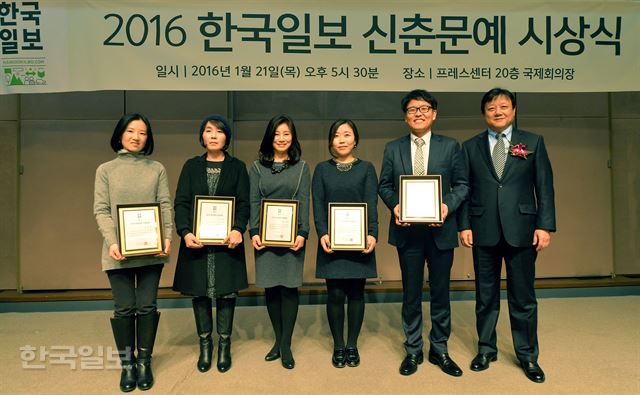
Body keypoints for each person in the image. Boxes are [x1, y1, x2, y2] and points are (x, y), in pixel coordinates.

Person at [458, 88, 555, 383]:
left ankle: (527, 355)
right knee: (485, 296)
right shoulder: (470, 146)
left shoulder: (533, 142)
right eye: (491, 108)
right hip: (483, 229)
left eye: (503, 106)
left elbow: (545, 186)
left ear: (513, 110)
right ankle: (486, 349)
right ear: (484, 113)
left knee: (523, 296)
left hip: (523, 230)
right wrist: (464, 225)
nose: (497, 111)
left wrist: (544, 225)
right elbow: (465, 189)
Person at [378, 90, 468, 377]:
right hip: (407, 233)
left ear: (434, 114)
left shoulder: (451, 146)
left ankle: (439, 348)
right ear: (405, 116)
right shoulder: (393, 148)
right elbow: (385, 186)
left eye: (424, 108)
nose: (418, 113)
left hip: (440, 230)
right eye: (412, 109)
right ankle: (413, 349)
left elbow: (463, 185)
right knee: (411, 293)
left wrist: (445, 207)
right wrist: (395, 207)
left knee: (440, 293)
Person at [94, 113, 173, 392]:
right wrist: (113, 241)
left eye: (142, 132)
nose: (136, 137)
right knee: (124, 307)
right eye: (131, 131)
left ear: (148, 138)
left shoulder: (156, 169)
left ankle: (144, 362)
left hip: (152, 251)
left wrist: (167, 237)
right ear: (120, 134)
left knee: (147, 305)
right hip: (117, 252)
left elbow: (165, 205)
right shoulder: (105, 169)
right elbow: (101, 210)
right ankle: (128, 365)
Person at [172, 115, 250, 374]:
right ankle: (206, 344)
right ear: (202, 136)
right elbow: (181, 202)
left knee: (226, 292)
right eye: (208, 130)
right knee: (200, 292)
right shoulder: (191, 166)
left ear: (227, 137)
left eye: (219, 131)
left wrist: (239, 228)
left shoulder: (237, 167)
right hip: (197, 242)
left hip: (228, 243)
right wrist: (184, 232)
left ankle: (224, 345)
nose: (213, 135)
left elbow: (244, 203)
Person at [312, 120, 378, 368]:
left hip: (360, 241)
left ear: (355, 139)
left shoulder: (367, 168)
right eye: (337, 135)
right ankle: (338, 345)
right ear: (331, 141)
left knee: (357, 293)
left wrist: (373, 234)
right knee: (336, 294)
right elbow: (318, 204)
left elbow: (371, 203)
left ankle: (352, 344)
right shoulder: (321, 169)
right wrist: (322, 233)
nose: (341, 139)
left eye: (347, 134)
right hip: (332, 242)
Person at [249, 114, 310, 369]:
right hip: (265, 237)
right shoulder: (256, 167)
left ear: (293, 137)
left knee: (289, 288)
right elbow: (253, 200)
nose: (282, 138)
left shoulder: (303, 167)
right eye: (277, 134)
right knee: (271, 289)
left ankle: (286, 344)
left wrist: (302, 233)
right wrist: (253, 231)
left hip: (291, 237)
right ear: (269, 137)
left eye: (286, 134)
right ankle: (278, 339)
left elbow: (304, 200)